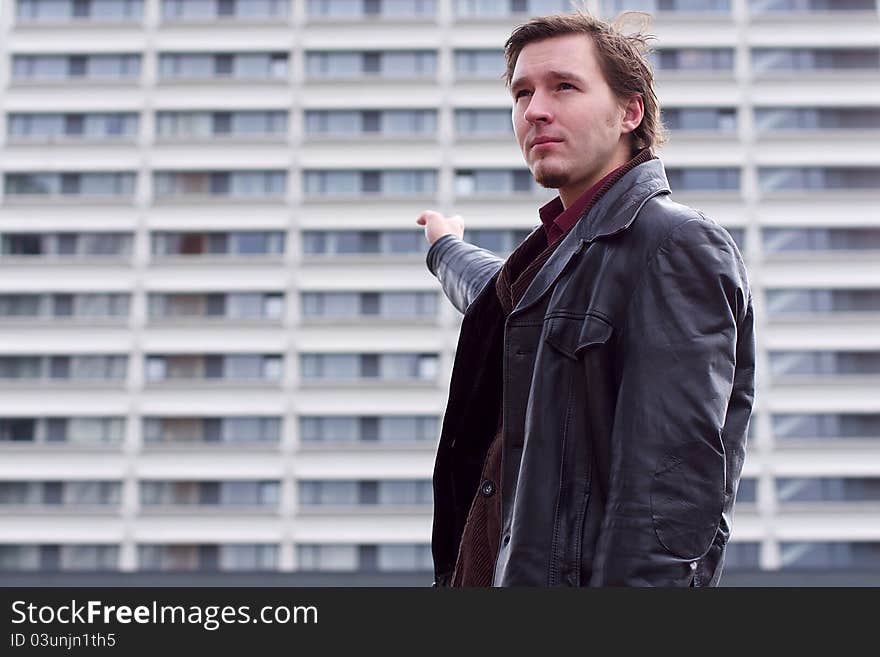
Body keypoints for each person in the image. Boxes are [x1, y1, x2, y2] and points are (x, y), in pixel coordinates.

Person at [416, 11, 755, 587]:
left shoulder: (672, 243)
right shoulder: (558, 258)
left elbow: (669, 499)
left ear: (630, 111)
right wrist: (445, 247)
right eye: (522, 93)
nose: (535, 110)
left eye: (564, 87)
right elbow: (502, 301)